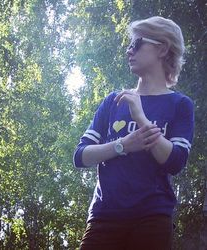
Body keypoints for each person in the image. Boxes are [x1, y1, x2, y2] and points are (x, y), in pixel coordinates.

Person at [73, 16, 194, 250]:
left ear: (162, 48)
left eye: (137, 43)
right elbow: (80, 156)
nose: (129, 50)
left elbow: (176, 161)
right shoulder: (113, 101)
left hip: (152, 217)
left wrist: (140, 118)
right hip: (103, 216)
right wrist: (123, 145)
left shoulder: (180, 104)